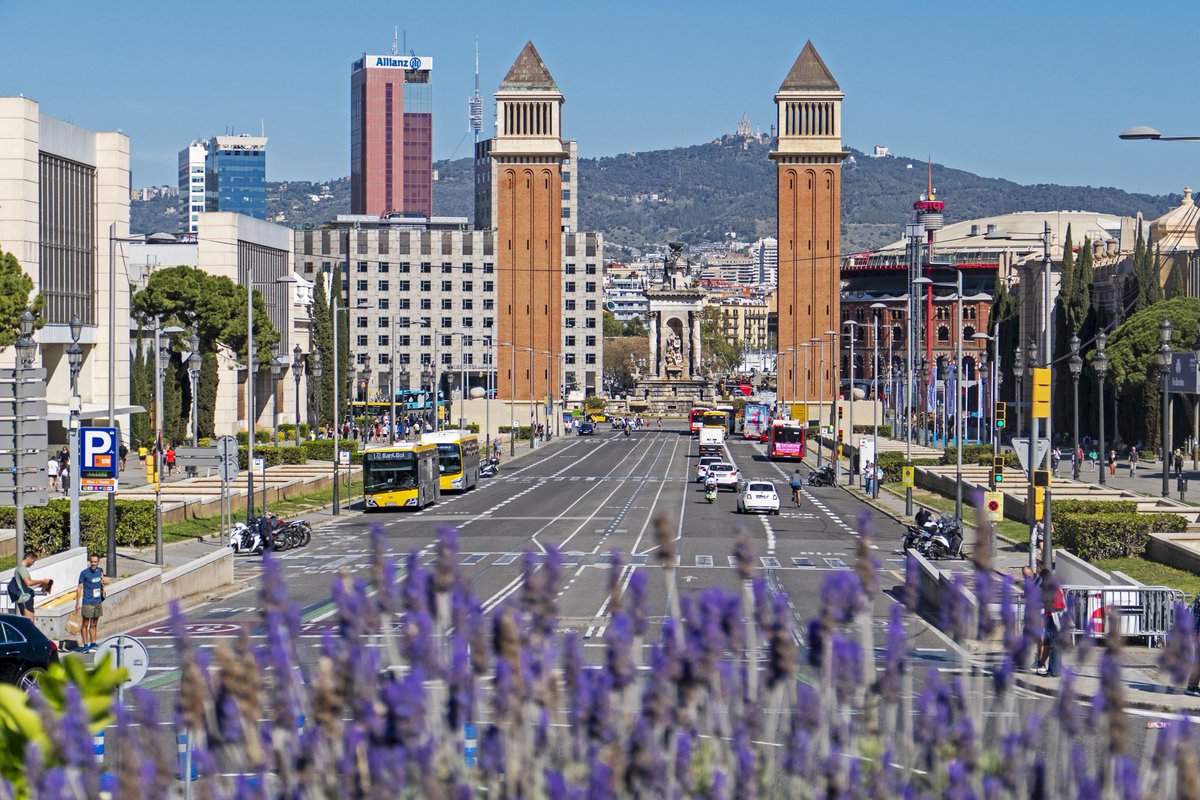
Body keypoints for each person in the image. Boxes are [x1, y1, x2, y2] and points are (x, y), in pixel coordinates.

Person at [75, 553, 109, 652]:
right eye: (92, 562)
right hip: (88, 602)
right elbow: (79, 588)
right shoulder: (84, 573)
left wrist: (104, 582)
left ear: (98, 562)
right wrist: (77, 603)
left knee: (94, 624)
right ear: (89, 562)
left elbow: (103, 582)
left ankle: (93, 643)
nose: (93, 564)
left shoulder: (100, 571)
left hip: (98, 601)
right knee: (85, 624)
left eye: (95, 562)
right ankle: (85, 645)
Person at [9, 553, 52, 621]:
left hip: (26, 599)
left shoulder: (20, 568)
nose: (33, 563)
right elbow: (28, 582)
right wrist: (43, 581)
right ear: (28, 559)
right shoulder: (21, 568)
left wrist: (41, 584)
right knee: (30, 624)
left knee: (30, 624)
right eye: (33, 561)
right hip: (25, 599)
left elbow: (27, 585)